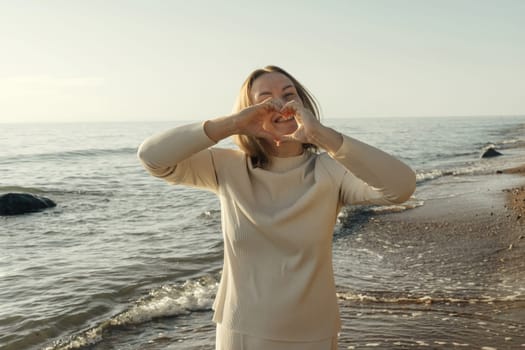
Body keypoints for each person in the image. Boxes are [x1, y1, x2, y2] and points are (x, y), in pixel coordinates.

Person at [137, 65, 416, 350]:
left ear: (304, 104)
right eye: (265, 99)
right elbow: (151, 157)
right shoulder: (227, 166)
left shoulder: (330, 171)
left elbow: (401, 187)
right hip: (243, 330)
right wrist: (232, 125)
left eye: (288, 94)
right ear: (248, 111)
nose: (280, 105)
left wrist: (321, 135)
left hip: (315, 331)